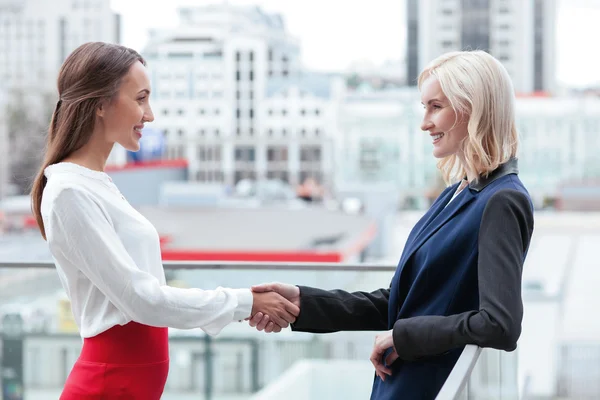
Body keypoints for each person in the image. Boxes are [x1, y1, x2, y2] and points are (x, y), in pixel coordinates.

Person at [248, 50, 535, 400]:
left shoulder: (502, 200)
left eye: (435, 107)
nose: (424, 122)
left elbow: (500, 324)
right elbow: (402, 302)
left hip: (429, 386)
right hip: (403, 381)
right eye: (424, 107)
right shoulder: (457, 193)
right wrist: (302, 301)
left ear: (472, 108)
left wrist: (405, 337)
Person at [30, 42, 297, 400]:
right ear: (99, 104)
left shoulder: (94, 183)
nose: (150, 114)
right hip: (111, 385)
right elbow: (141, 300)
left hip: (130, 384)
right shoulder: (70, 192)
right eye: (140, 99)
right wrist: (245, 302)